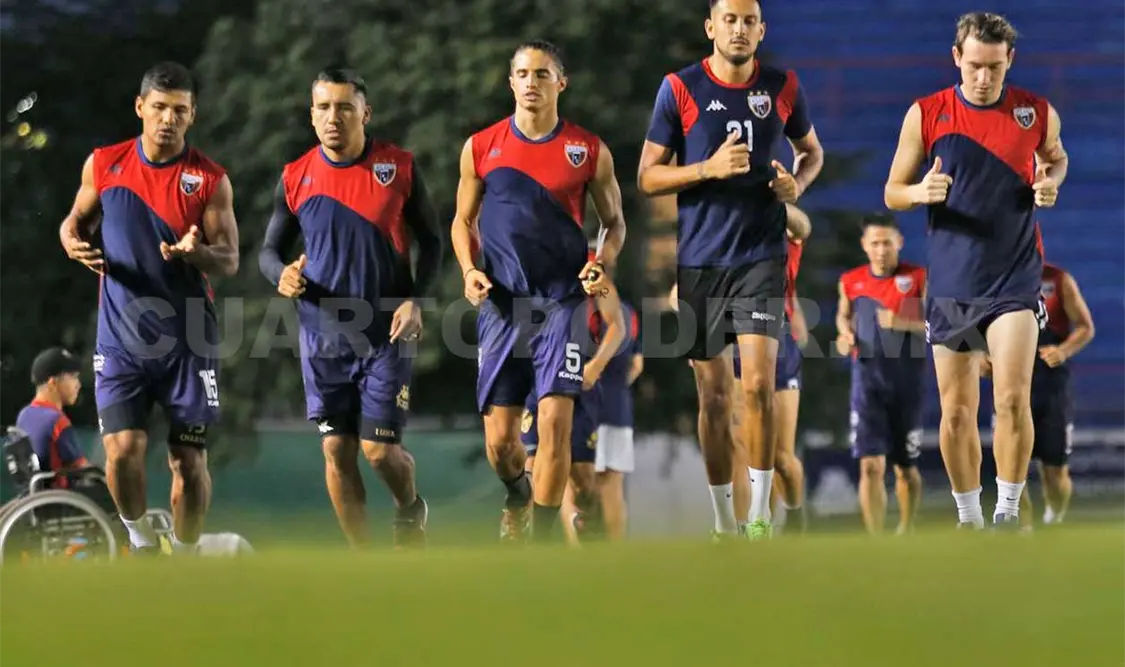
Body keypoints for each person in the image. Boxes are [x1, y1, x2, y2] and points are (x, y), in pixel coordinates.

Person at [638, 0, 824, 540]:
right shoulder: (680, 88)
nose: (739, 30)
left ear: (761, 31)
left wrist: (797, 186)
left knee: (759, 387)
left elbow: (811, 153)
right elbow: (649, 177)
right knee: (714, 399)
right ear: (711, 27)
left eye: (749, 22)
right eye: (730, 20)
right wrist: (707, 168)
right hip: (699, 262)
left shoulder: (783, 87)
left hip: (760, 260)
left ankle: (761, 518)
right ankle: (724, 522)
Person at [884, 12, 1067, 528]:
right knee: (957, 411)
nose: (983, 78)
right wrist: (920, 192)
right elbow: (892, 190)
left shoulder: (1035, 112)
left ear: (1009, 61)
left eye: (994, 67)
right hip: (952, 281)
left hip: (1014, 276)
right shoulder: (927, 114)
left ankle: (1007, 510)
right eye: (974, 66)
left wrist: (1050, 180)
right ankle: (969, 518)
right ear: (956, 58)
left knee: (1011, 397)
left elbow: (1057, 160)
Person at [58, 62, 240, 554]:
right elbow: (74, 220)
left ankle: (183, 556)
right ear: (140, 107)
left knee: (187, 461)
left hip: (188, 341)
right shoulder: (105, 164)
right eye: (159, 107)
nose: (168, 119)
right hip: (120, 339)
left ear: (192, 115)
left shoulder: (209, 179)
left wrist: (194, 253)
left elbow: (229, 260)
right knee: (122, 452)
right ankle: (140, 544)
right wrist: (70, 239)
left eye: (180, 110)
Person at [450, 40, 627, 543]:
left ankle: (543, 541)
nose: (532, 83)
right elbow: (462, 221)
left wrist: (600, 262)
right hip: (503, 305)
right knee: (502, 443)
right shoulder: (481, 147)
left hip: (563, 304)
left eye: (542, 74)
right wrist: (468, 270)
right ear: (510, 83)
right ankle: (516, 495)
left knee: (554, 422)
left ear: (560, 83)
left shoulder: (588, 150)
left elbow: (614, 224)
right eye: (523, 74)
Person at [259, 68, 443, 549]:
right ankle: (363, 564)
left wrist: (416, 299)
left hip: (386, 332)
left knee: (379, 451)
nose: (333, 117)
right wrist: (281, 274)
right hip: (322, 339)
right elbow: (268, 252)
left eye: (344, 106)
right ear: (312, 115)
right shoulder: (295, 177)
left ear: (366, 112)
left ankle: (410, 509)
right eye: (323, 107)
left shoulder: (398, 167)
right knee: (337, 449)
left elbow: (433, 242)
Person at [983, 258, 1094, 527]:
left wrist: (1063, 350)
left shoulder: (1057, 280)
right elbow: (974, 324)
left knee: (1054, 470)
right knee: (1010, 465)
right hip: (1010, 381)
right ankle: (1023, 527)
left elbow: (1085, 326)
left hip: (1050, 382)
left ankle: (1054, 517)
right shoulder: (991, 280)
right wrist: (980, 355)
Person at [836, 217, 927, 535]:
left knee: (905, 467)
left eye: (887, 242)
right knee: (870, 465)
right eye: (874, 243)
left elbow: (939, 324)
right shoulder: (851, 281)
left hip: (907, 383)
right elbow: (843, 317)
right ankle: (875, 540)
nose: (880, 250)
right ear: (864, 246)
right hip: (867, 383)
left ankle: (907, 527)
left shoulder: (918, 278)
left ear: (899, 243)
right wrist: (844, 335)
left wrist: (901, 321)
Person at [522, 265, 626, 544]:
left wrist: (595, 365)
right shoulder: (519, 257)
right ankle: (532, 544)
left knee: (582, 482)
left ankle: (590, 522)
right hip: (538, 378)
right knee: (532, 461)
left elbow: (617, 325)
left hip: (580, 381)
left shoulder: (589, 267)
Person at [592, 291, 643, 541]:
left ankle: (576, 555)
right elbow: (637, 365)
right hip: (618, 408)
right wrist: (618, 387)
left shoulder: (577, 309)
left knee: (574, 488)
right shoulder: (627, 310)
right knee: (612, 488)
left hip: (584, 407)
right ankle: (615, 553)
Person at [14, 348, 91, 484]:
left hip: (34, 497)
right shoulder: (56, 421)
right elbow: (81, 468)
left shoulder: (24, 415)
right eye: (73, 377)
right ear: (53, 382)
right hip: (61, 500)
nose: (78, 384)